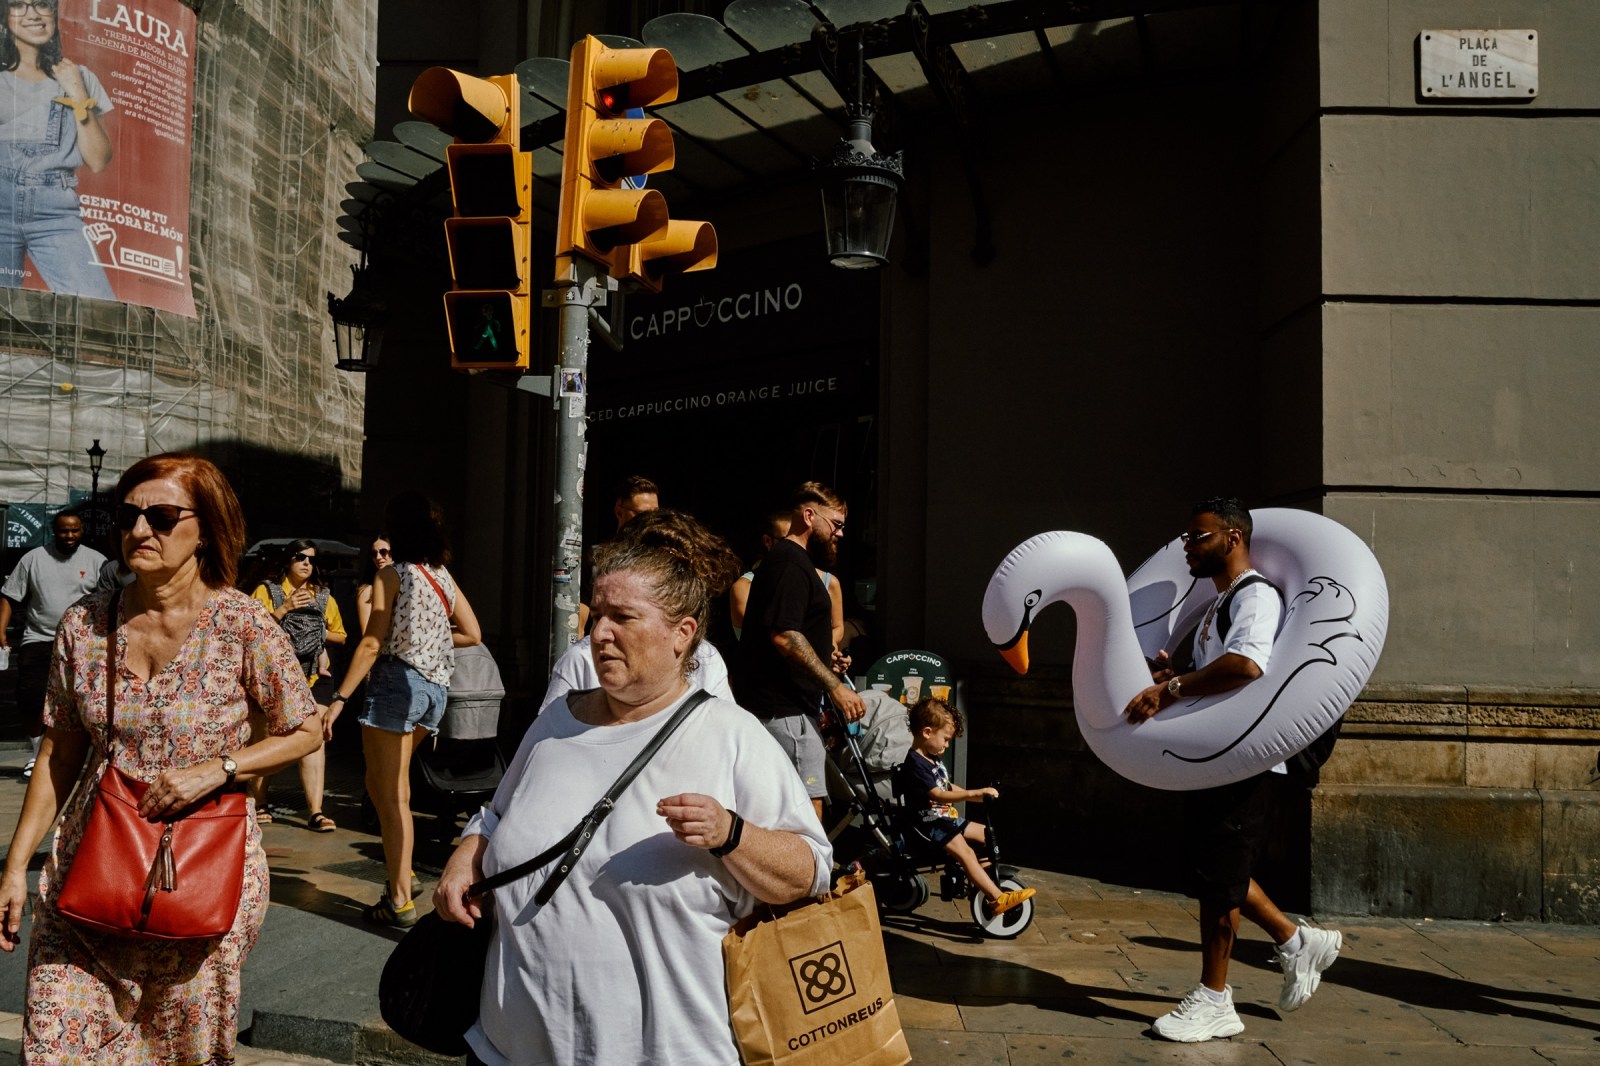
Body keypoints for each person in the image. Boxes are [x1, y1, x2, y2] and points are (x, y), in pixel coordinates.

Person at [433, 508, 831, 1066]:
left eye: (624, 617)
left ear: (681, 633)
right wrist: (466, 854)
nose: (599, 633)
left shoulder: (732, 736)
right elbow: (497, 815)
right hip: (505, 1050)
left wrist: (731, 833)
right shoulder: (556, 722)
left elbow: (813, 870)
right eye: (597, 615)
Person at [0, 452, 321, 1063]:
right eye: (129, 516)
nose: (140, 530)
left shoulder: (242, 623)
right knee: (56, 1041)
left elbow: (304, 730)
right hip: (87, 868)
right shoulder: (84, 626)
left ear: (208, 529)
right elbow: (59, 751)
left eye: (163, 516)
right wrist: (15, 867)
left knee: (178, 1052)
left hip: (202, 873)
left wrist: (222, 768)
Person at [1124, 497, 1341, 1043]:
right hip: (1220, 758)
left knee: (1219, 875)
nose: (1187, 548)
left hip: (1247, 759)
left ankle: (1216, 999)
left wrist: (1169, 688)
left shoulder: (1255, 596)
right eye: (1187, 538)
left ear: (1233, 538)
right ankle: (1296, 941)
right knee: (1212, 865)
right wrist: (1180, 671)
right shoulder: (1219, 604)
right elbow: (1220, 666)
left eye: (1198, 538)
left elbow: (1247, 664)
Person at [326, 492, 481, 929]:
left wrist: (338, 699)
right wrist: (432, 640)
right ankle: (403, 869)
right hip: (434, 691)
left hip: (397, 685)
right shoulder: (442, 575)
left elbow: (372, 643)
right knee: (384, 786)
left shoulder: (392, 576)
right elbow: (473, 632)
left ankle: (398, 900)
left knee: (392, 796)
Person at [731, 481, 864, 818]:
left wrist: (825, 656)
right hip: (785, 713)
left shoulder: (791, 563)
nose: (841, 534)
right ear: (809, 516)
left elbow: (791, 633)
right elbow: (785, 635)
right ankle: (810, 872)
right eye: (836, 524)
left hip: (786, 709)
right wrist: (835, 687)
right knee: (806, 807)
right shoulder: (791, 562)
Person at [0, 0, 116, 298]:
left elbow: (99, 160)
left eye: (40, 4)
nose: (32, 14)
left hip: (56, 213)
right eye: (18, 5)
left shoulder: (81, 77)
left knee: (99, 311)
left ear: (53, 14)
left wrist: (76, 89)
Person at [899, 697, 1034, 915]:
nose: (946, 745)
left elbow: (947, 785)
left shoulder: (932, 759)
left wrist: (978, 796)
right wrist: (974, 793)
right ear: (926, 732)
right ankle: (997, 899)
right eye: (945, 739)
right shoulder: (915, 763)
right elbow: (938, 794)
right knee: (966, 853)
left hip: (944, 819)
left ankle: (979, 879)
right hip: (930, 824)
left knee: (986, 834)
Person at [0, 509, 105, 777]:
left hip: (82, 642)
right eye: (63, 530)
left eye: (74, 530)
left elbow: (112, 600)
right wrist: (0, 630)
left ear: (82, 530)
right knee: (29, 696)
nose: (69, 535)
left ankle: (82, 757)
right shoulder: (33, 559)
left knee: (83, 701)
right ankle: (36, 753)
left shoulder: (97, 561)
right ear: (53, 530)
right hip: (39, 638)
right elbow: (10, 597)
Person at [250, 539, 346, 831]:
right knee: (268, 737)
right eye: (300, 557)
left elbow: (341, 636)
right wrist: (285, 609)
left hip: (314, 677)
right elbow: (252, 629)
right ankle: (259, 801)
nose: (306, 563)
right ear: (288, 561)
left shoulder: (324, 597)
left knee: (314, 738)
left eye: (311, 559)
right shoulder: (267, 591)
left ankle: (315, 811)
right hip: (274, 676)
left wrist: (315, 632)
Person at [729, 506, 845, 655]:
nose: (793, 547)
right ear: (767, 541)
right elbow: (769, 637)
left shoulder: (829, 581)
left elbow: (837, 627)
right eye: (786, 540)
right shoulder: (744, 587)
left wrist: (831, 651)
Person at [576, 474, 660, 635]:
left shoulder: (663, 556)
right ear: (619, 512)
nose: (651, 520)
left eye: (655, 513)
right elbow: (579, 620)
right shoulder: (596, 558)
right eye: (642, 514)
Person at [355, 533, 391, 633]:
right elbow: (366, 633)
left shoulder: (405, 583)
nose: (378, 557)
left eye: (383, 552)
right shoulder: (367, 590)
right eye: (374, 554)